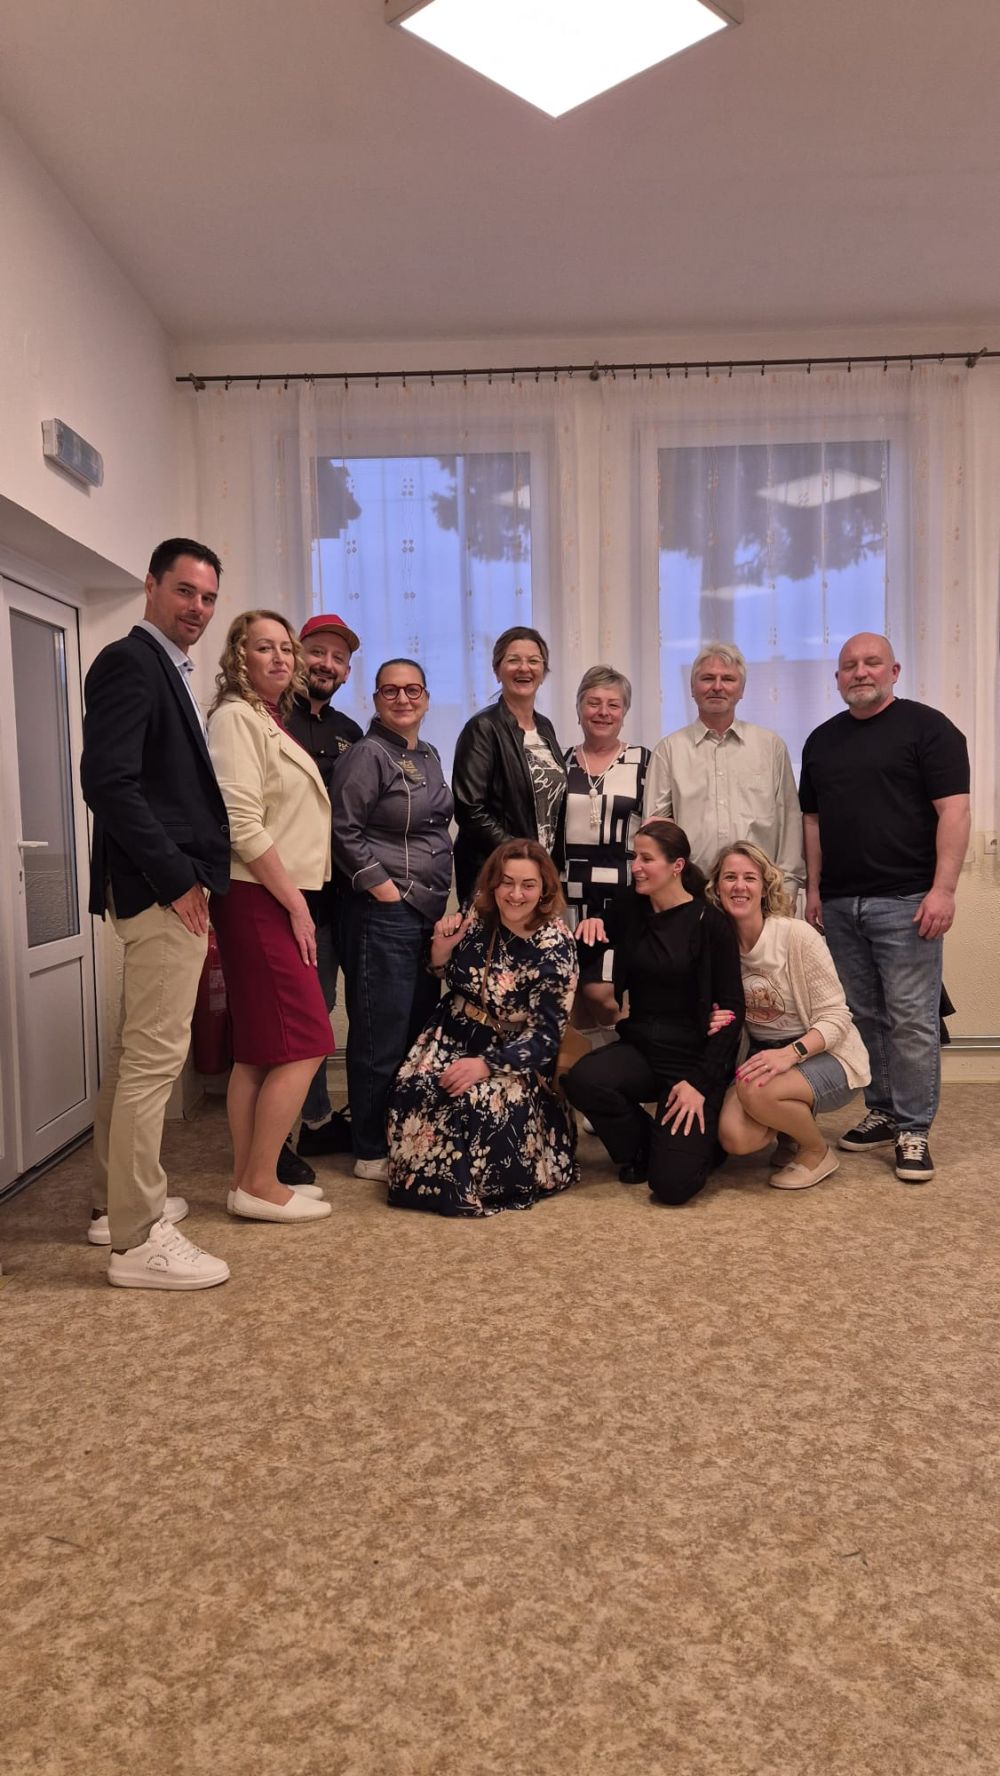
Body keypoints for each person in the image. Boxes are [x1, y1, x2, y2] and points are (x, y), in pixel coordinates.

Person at [81, 537, 232, 1289]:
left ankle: (114, 1204)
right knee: (152, 1062)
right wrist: (178, 879)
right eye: (184, 591)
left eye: (208, 598)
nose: (197, 608)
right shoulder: (131, 662)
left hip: (155, 886)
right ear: (150, 586)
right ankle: (138, 1239)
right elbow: (107, 782)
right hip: (160, 889)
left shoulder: (166, 668)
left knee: (133, 1055)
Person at [800, 632, 970, 1183]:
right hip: (840, 904)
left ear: (894, 670)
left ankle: (914, 1128)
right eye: (849, 665)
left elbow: (954, 812)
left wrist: (943, 890)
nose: (860, 672)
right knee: (864, 1016)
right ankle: (884, 1110)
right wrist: (815, 890)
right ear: (837, 678)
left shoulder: (930, 729)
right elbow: (812, 822)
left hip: (908, 901)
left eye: (872, 662)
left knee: (911, 1020)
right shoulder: (821, 740)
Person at [206, 610, 333, 1224]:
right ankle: (261, 1181)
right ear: (239, 656)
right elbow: (240, 823)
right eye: (264, 648)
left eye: (286, 648)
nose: (281, 658)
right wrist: (296, 904)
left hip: (264, 892)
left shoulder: (266, 718)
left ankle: (247, 1181)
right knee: (308, 1040)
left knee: (258, 1050)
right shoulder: (236, 717)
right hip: (260, 894)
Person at [387, 840, 578, 1216]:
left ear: (544, 889)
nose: (516, 894)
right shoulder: (476, 911)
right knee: (417, 1089)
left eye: (528, 885)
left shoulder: (556, 945)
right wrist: (441, 950)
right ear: (493, 883)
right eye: (507, 882)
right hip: (450, 1031)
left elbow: (545, 1039)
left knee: (476, 1104)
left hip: (510, 1051)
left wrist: (484, 1066)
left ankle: (454, 1186)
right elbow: (441, 972)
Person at [563, 820, 744, 1206]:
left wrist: (700, 1082)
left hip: (691, 1062)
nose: (637, 867)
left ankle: (700, 1146)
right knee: (583, 1080)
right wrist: (590, 927)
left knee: (672, 1187)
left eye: (647, 859)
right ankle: (645, 1148)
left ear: (677, 866)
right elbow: (583, 956)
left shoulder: (709, 923)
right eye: (635, 857)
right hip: (642, 1048)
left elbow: (732, 1010)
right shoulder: (631, 908)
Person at [329, 657, 454, 1182]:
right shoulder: (366, 754)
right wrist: (383, 889)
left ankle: (404, 1134)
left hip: (425, 912)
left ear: (426, 697)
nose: (403, 699)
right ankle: (370, 1148)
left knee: (414, 1034)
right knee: (380, 1036)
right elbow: (342, 828)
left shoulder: (429, 753)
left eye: (413, 690)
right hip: (385, 913)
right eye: (390, 691)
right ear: (375, 699)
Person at [707, 843, 870, 1189]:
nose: (739, 886)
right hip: (762, 1052)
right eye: (730, 877)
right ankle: (790, 1129)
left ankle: (816, 1151)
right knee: (735, 1138)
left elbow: (837, 1017)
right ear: (716, 887)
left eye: (750, 878)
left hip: (823, 1053)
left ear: (765, 887)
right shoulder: (717, 944)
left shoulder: (797, 935)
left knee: (756, 1091)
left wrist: (790, 1054)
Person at [285, 612, 363, 1160]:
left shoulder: (350, 733)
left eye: (338, 658)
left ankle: (315, 1121)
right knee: (297, 1016)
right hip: (284, 895)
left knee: (324, 1006)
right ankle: (288, 1132)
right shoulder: (268, 718)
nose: (326, 664)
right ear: (297, 653)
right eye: (317, 652)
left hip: (337, 899)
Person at [643, 643, 804, 898]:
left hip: (758, 895)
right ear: (692, 688)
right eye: (707, 678)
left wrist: (787, 892)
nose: (717, 687)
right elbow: (655, 835)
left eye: (728, 679)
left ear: (741, 690)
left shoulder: (770, 747)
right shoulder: (669, 751)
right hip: (690, 895)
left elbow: (790, 826)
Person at [452, 625, 566, 905]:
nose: (524, 668)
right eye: (513, 660)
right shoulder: (483, 727)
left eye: (533, 661)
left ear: (543, 672)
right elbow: (470, 810)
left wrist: (544, 867)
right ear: (497, 670)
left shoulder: (545, 727)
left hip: (538, 876)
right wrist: (522, 858)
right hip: (498, 876)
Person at [563, 665, 650, 1026]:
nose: (603, 712)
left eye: (613, 705)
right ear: (579, 708)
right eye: (593, 702)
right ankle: (586, 1060)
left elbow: (655, 831)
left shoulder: (644, 762)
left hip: (623, 896)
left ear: (625, 711)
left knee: (603, 994)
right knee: (568, 996)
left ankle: (622, 1050)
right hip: (566, 896)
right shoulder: (559, 762)